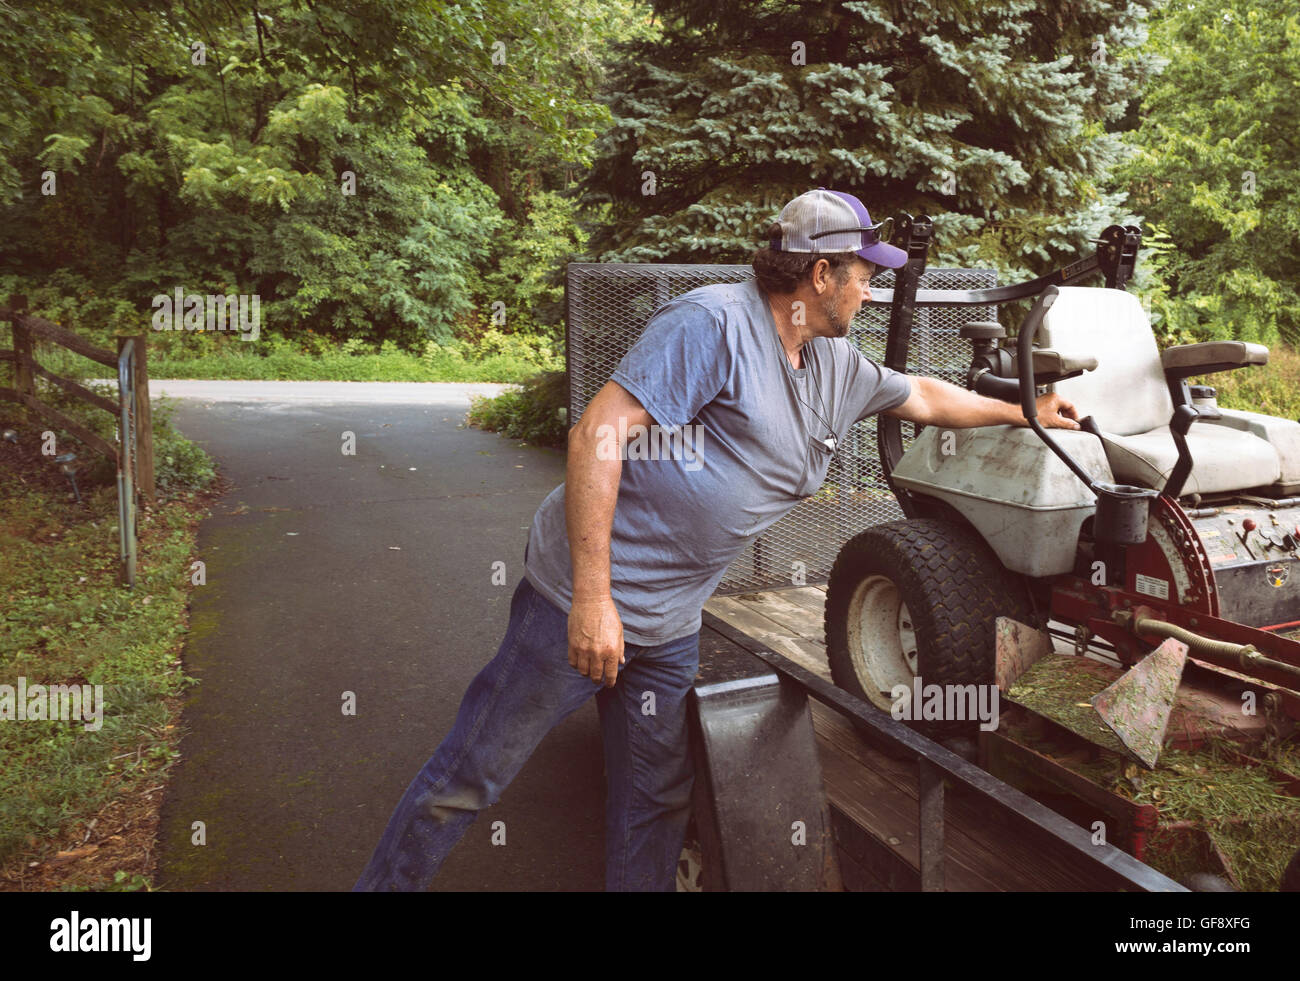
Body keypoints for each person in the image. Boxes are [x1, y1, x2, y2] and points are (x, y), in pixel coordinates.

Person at [352, 188, 1081, 892]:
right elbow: (596, 436)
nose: (869, 291)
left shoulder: (832, 362)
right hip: (577, 601)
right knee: (473, 773)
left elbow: (923, 394)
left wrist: (1028, 408)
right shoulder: (713, 325)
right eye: (862, 276)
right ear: (820, 275)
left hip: (669, 623)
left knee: (655, 797)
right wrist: (594, 600)